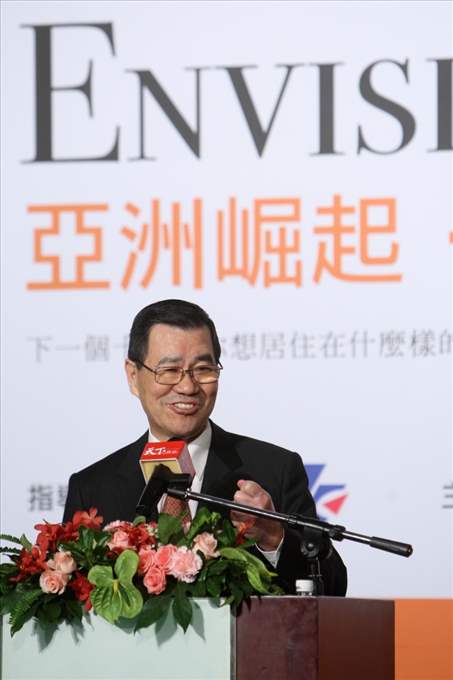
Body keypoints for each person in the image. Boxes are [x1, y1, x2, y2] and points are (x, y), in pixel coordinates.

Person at [63, 299, 347, 595]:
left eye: (203, 369)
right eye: (169, 370)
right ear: (133, 376)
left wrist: (273, 538)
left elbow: (333, 589)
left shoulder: (274, 470)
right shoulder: (93, 487)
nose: (188, 387)